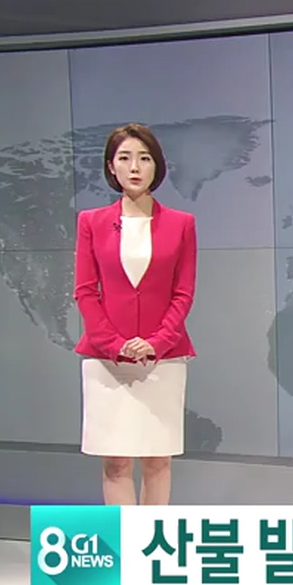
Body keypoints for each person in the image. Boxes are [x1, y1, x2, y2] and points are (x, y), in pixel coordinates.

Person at [72, 123, 197, 506]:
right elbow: (85, 290)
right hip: (107, 361)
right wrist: (114, 344)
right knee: (116, 463)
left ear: (157, 166)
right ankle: (124, 542)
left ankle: (150, 542)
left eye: (144, 158)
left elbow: (183, 292)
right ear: (111, 167)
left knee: (158, 461)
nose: (135, 167)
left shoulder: (181, 224)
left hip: (163, 359)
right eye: (125, 158)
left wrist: (157, 342)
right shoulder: (91, 222)